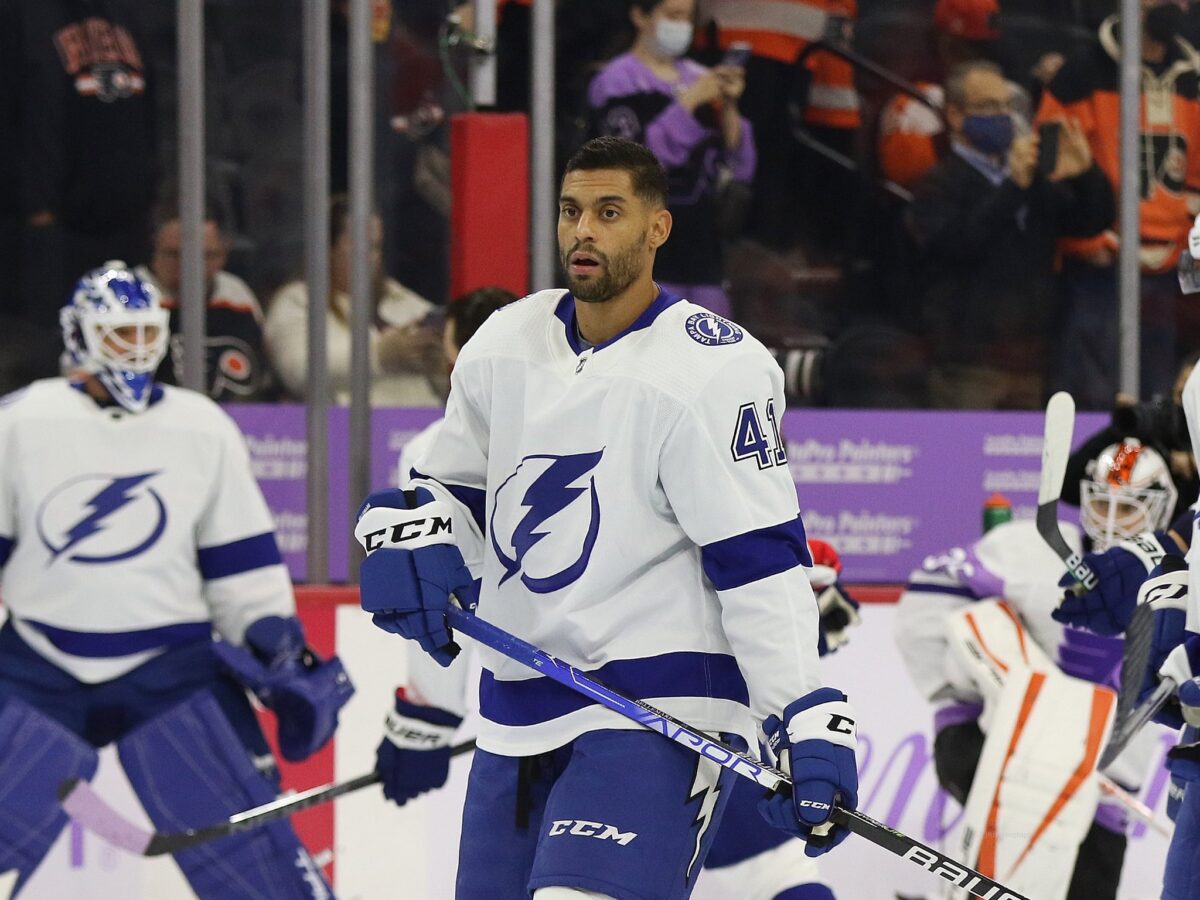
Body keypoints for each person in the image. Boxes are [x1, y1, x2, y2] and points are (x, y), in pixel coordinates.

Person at [353, 136, 859, 900]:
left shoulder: (715, 367)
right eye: (570, 211)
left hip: (656, 716)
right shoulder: (504, 344)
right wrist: (412, 535)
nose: (583, 230)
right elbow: (452, 494)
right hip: (517, 711)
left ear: (658, 228)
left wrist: (804, 713)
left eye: (609, 212)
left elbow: (758, 560)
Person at [0, 262, 353, 898]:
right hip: (37, 666)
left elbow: (239, 564)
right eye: (117, 334)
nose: (135, 349)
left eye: (144, 332)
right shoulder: (21, 421)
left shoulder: (200, 426)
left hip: (172, 670)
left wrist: (276, 644)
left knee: (260, 868)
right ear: (79, 336)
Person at [894, 507, 1167, 900]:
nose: (1113, 515)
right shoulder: (1038, 547)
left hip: (1104, 792)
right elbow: (930, 601)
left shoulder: (1179, 575)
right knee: (1008, 862)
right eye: (1105, 501)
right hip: (1000, 746)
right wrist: (971, 696)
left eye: (1127, 506)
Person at [906, 59, 1114, 409]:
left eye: (1007, 105)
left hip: (1031, 359)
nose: (1001, 115)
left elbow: (1088, 221)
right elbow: (958, 243)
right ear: (955, 116)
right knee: (963, 460)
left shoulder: (1029, 178)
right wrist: (1014, 189)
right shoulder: (937, 182)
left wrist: (1087, 174)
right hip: (967, 364)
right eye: (988, 106)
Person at [1035, 0, 1200, 409]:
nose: (1178, 5)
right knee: (1093, 401)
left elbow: (1194, 181)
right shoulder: (1080, 73)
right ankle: (1093, 473)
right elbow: (1050, 168)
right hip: (1099, 271)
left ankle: (1140, 473)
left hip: (1167, 273)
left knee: (1157, 399)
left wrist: (1187, 250)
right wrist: (1083, 240)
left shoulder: (1193, 78)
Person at [588, 0, 756, 320]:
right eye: (672, 15)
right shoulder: (616, 80)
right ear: (640, 16)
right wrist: (690, 101)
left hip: (702, 247)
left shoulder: (699, 76)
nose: (681, 25)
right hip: (645, 249)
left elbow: (740, 164)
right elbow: (635, 165)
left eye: (687, 18)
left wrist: (730, 105)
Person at [265, 193, 443, 406]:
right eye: (361, 245)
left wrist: (439, 359)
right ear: (327, 248)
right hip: (345, 431)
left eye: (376, 247)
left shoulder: (400, 299)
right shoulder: (297, 301)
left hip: (421, 424)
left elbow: (447, 376)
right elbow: (299, 369)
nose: (372, 257)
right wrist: (380, 355)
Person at [137, 203, 273, 402]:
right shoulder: (130, 296)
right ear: (154, 250)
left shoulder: (236, 294)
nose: (189, 266)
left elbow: (262, 371)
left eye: (205, 256)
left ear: (223, 255)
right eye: (175, 254)